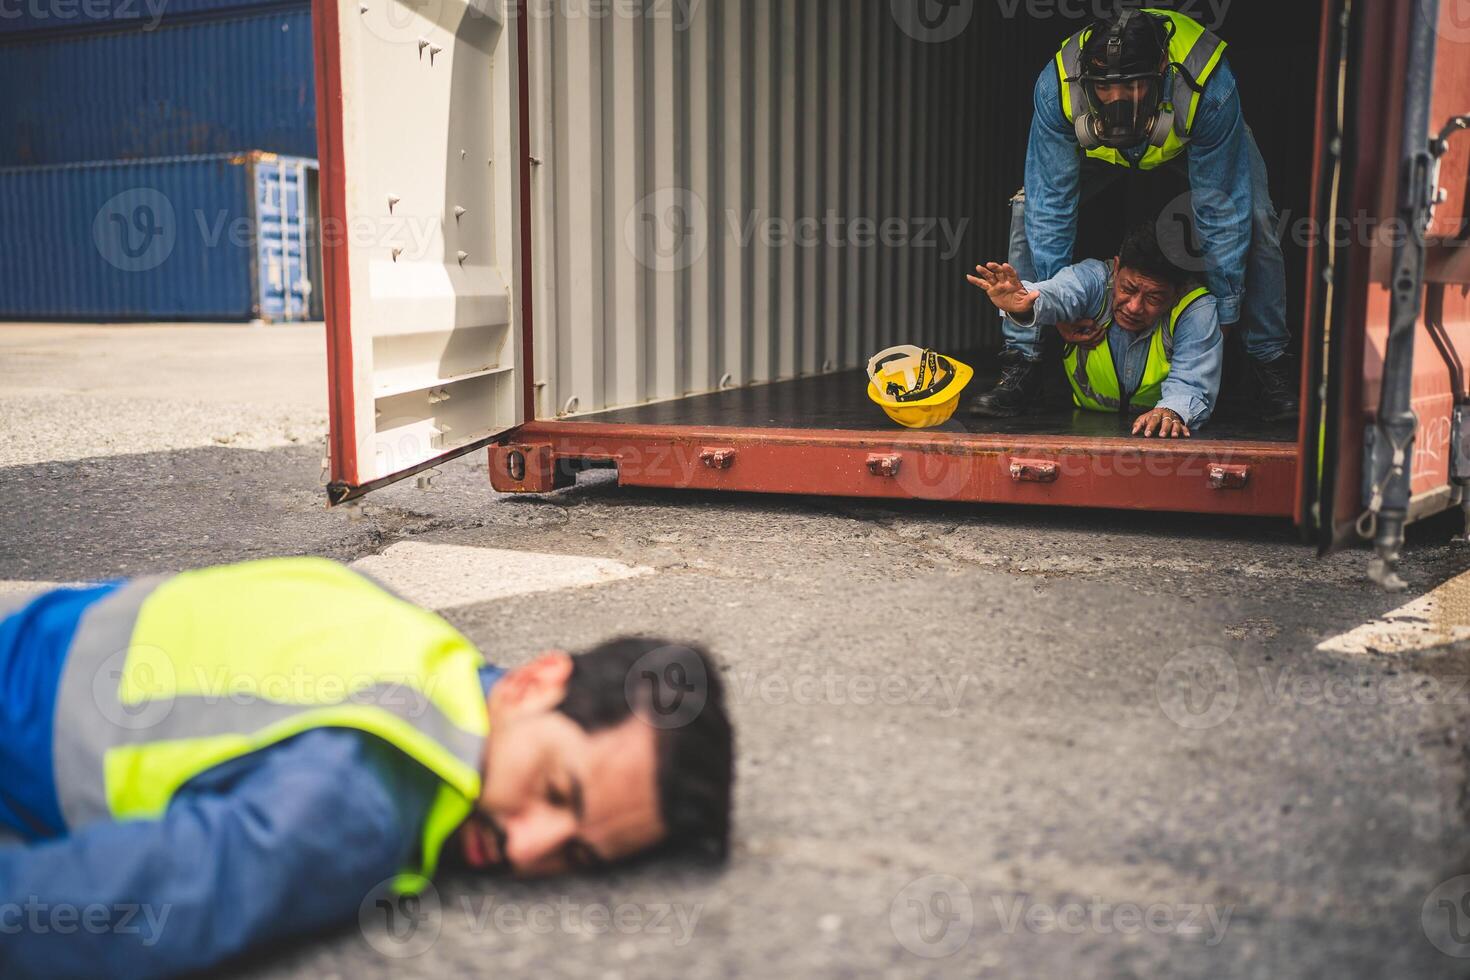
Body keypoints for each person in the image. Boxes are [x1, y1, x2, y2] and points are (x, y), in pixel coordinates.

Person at [0, 557, 734, 977]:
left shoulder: (411, 637)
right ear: (536, 681)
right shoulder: (363, 803)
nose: (527, 846)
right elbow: (117, 904)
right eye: (555, 791)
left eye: (576, 855)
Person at [970, 7, 1297, 422]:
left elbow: (1220, 208)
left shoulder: (1208, 87)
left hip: (1188, 136)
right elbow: (1051, 203)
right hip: (1099, 151)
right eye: (1104, 88)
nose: (1116, 101)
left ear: (1162, 70)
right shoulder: (1058, 89)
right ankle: (1022, 359)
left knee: (1256, 216)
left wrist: (1224, 316)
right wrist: (1057, 312)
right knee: (1028, 208)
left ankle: (1268, 363)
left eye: (1131, 87)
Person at [968, 222, 1223, 438]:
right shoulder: (1094, 278)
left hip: (1152, 435)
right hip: (1084, 427)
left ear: (1177, 293)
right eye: (1129, 289)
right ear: (1116, 266)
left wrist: (1170, 412)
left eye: (1154, 298)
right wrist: (1024, 303)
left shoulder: (1196, 308)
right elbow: (1059, 292)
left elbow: (1192, 383)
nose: (1134, 307)